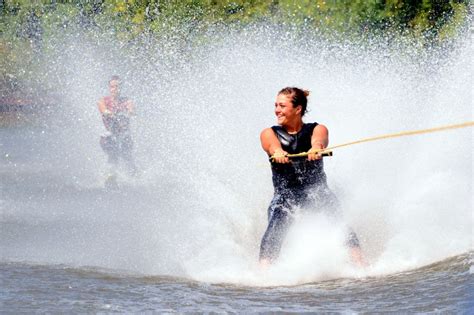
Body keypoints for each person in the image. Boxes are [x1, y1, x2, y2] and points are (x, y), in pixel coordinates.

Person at [259, 87, 365, 266]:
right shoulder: (269, 133)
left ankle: (362, 267)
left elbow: (319, 141)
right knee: (274, 232)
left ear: (297, 109)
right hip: (285, 196)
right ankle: (263, 276)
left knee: (341, 226)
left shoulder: (317, 129)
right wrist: (278, 152)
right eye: (276, 105)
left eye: (282, 106)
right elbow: (272, 146)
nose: (277, 109)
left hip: (317, 192)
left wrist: (316, 149)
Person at [97, 75, 137, 176]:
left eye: (118, 86)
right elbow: (103, 109)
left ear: (121, 88)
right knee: (112, 150)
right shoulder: (103, 101)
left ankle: (134, 174)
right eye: (113, 87)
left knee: (127, 155)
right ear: (109, 88)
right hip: (110, 134)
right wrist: (108, 113)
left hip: (124, 134)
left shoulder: (127, 101)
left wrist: (129, 112)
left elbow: (131, 110)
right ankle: (111, 174)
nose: (115, 89)